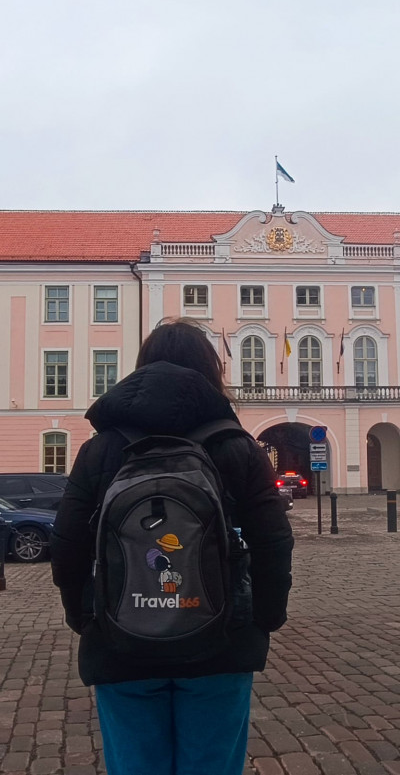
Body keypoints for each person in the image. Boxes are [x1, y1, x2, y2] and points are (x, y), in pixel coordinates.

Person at [51, 318, 294, 775]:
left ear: (141, 369)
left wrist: (89, 618)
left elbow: (67, 546)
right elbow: (274, 542)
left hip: (121, 640)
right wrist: (264, 617)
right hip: (220, 641)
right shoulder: (238, 446)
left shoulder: (101, 448)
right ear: (211, 371)